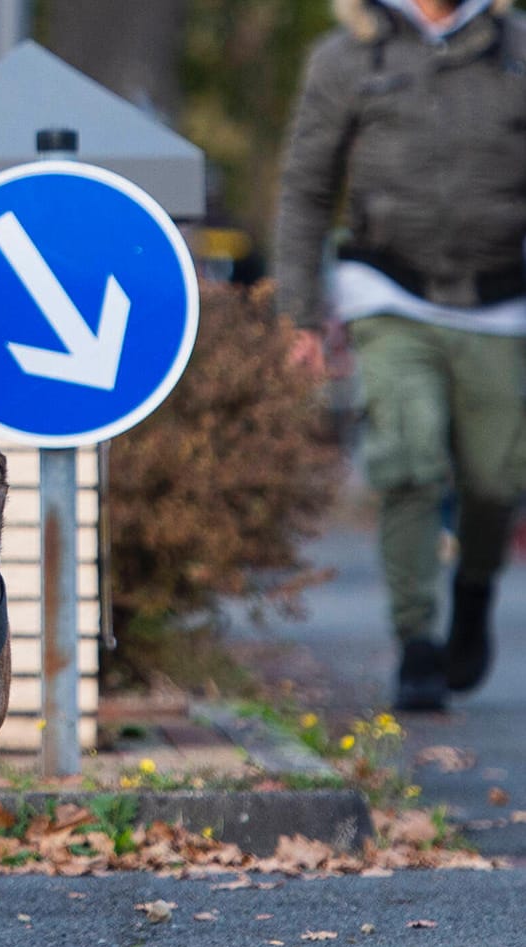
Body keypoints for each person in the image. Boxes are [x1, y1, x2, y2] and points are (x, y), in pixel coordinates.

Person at [277, 0, 526, 711]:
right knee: (409, 457)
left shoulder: (513, 50)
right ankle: (417, 642)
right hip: (387, 290)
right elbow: (306, 187)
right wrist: (297, 314)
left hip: (501, 299)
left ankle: (473, 592)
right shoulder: (348, 55)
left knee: (494, 479)